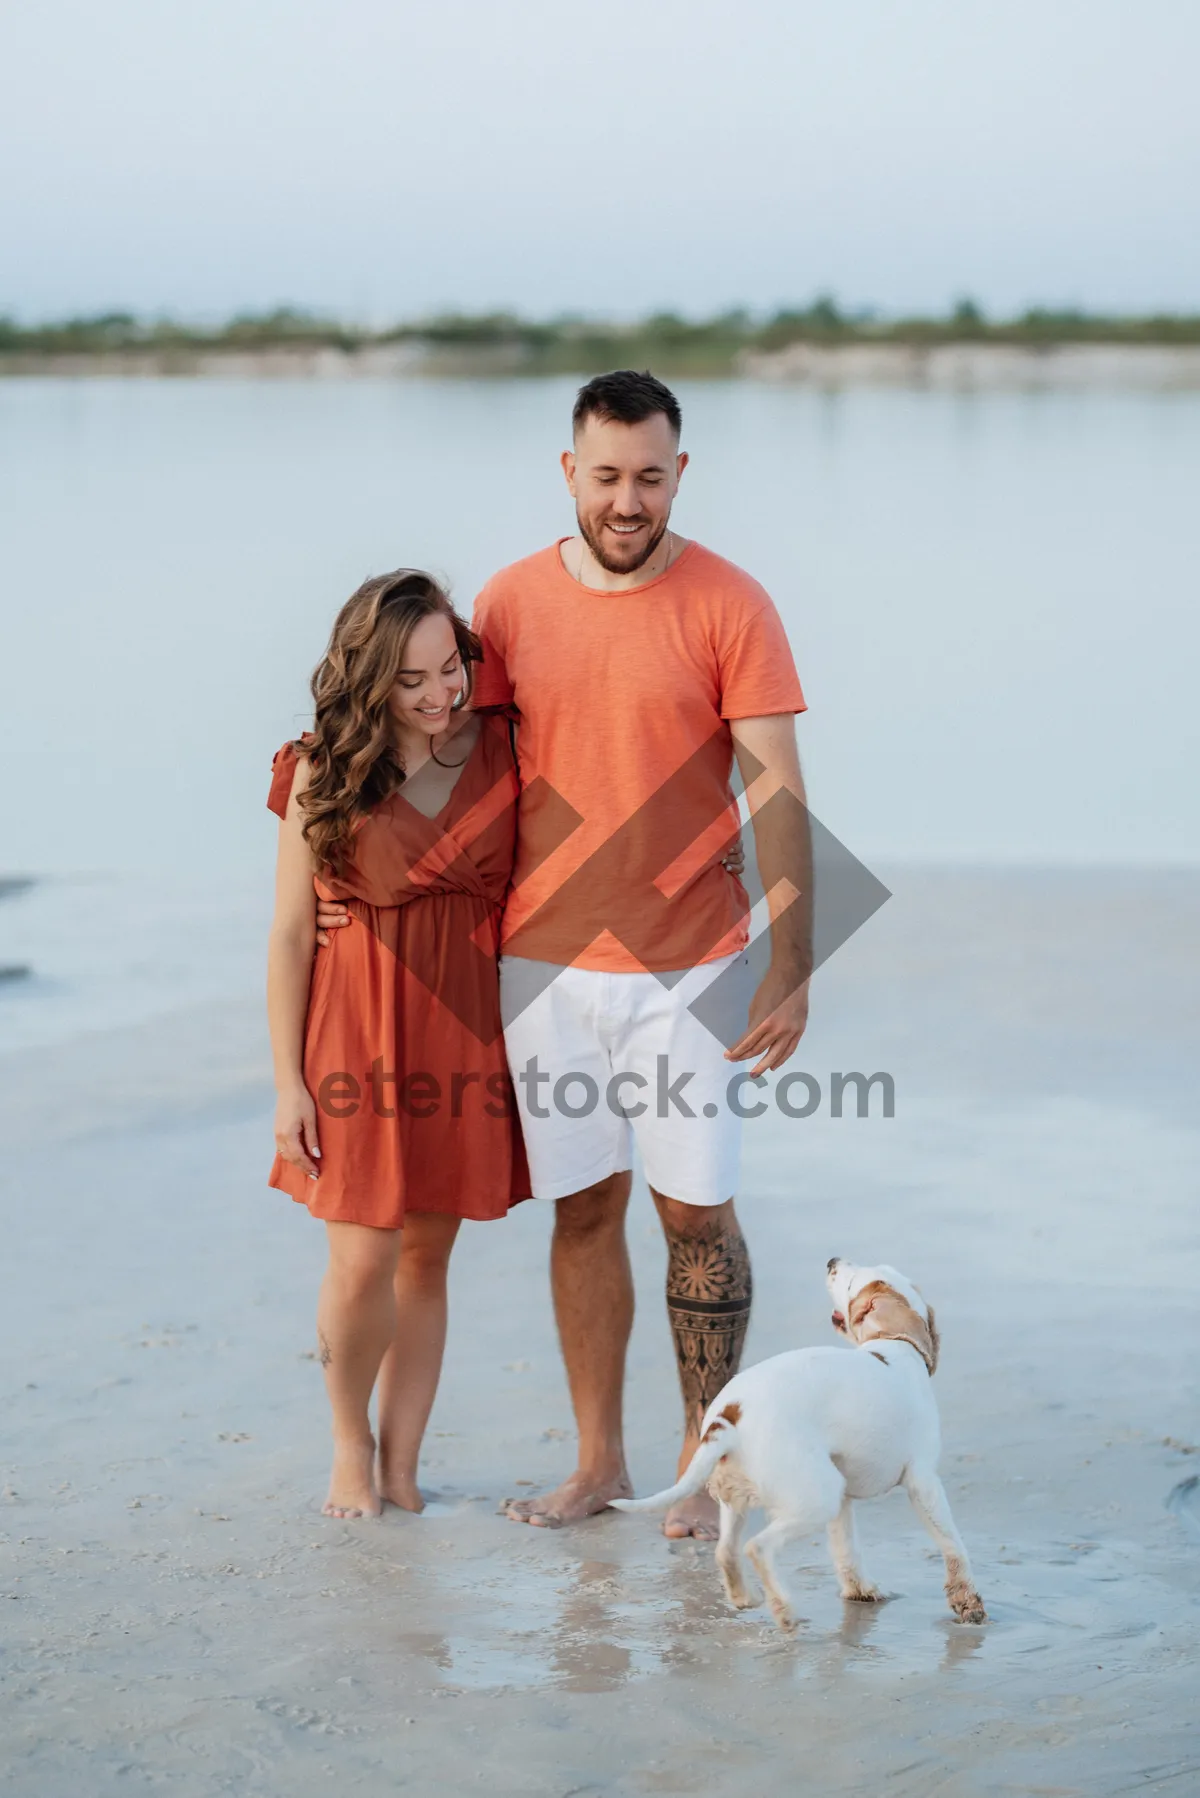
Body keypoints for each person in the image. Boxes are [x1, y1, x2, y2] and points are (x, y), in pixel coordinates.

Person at [317, 371, 812, 1539]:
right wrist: (343, 877)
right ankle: (598, 1463)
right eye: (606, 477)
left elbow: (777, 788)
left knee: (697, 1213)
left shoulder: (732, 603)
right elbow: (430, 740)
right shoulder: (510, 602)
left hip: (690, 963)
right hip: (538, 964)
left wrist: (793, 960)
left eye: (650, 476)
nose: (627, 500)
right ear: (569, 473)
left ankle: (702, 1465)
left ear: (678, 473)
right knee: (583, 1210)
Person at [267, 569, 527, 1521]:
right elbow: (292, 932)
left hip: (462, 1027)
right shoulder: (317, 770)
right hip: (355, 1027)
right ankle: (349, 1443)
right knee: (361, 1259)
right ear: (371, 679)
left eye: (451, 668)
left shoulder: (504, 749)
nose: (438, 694)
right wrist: (287, 1084)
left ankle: (404, 1461)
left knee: (426, 1259)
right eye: (412, 679)